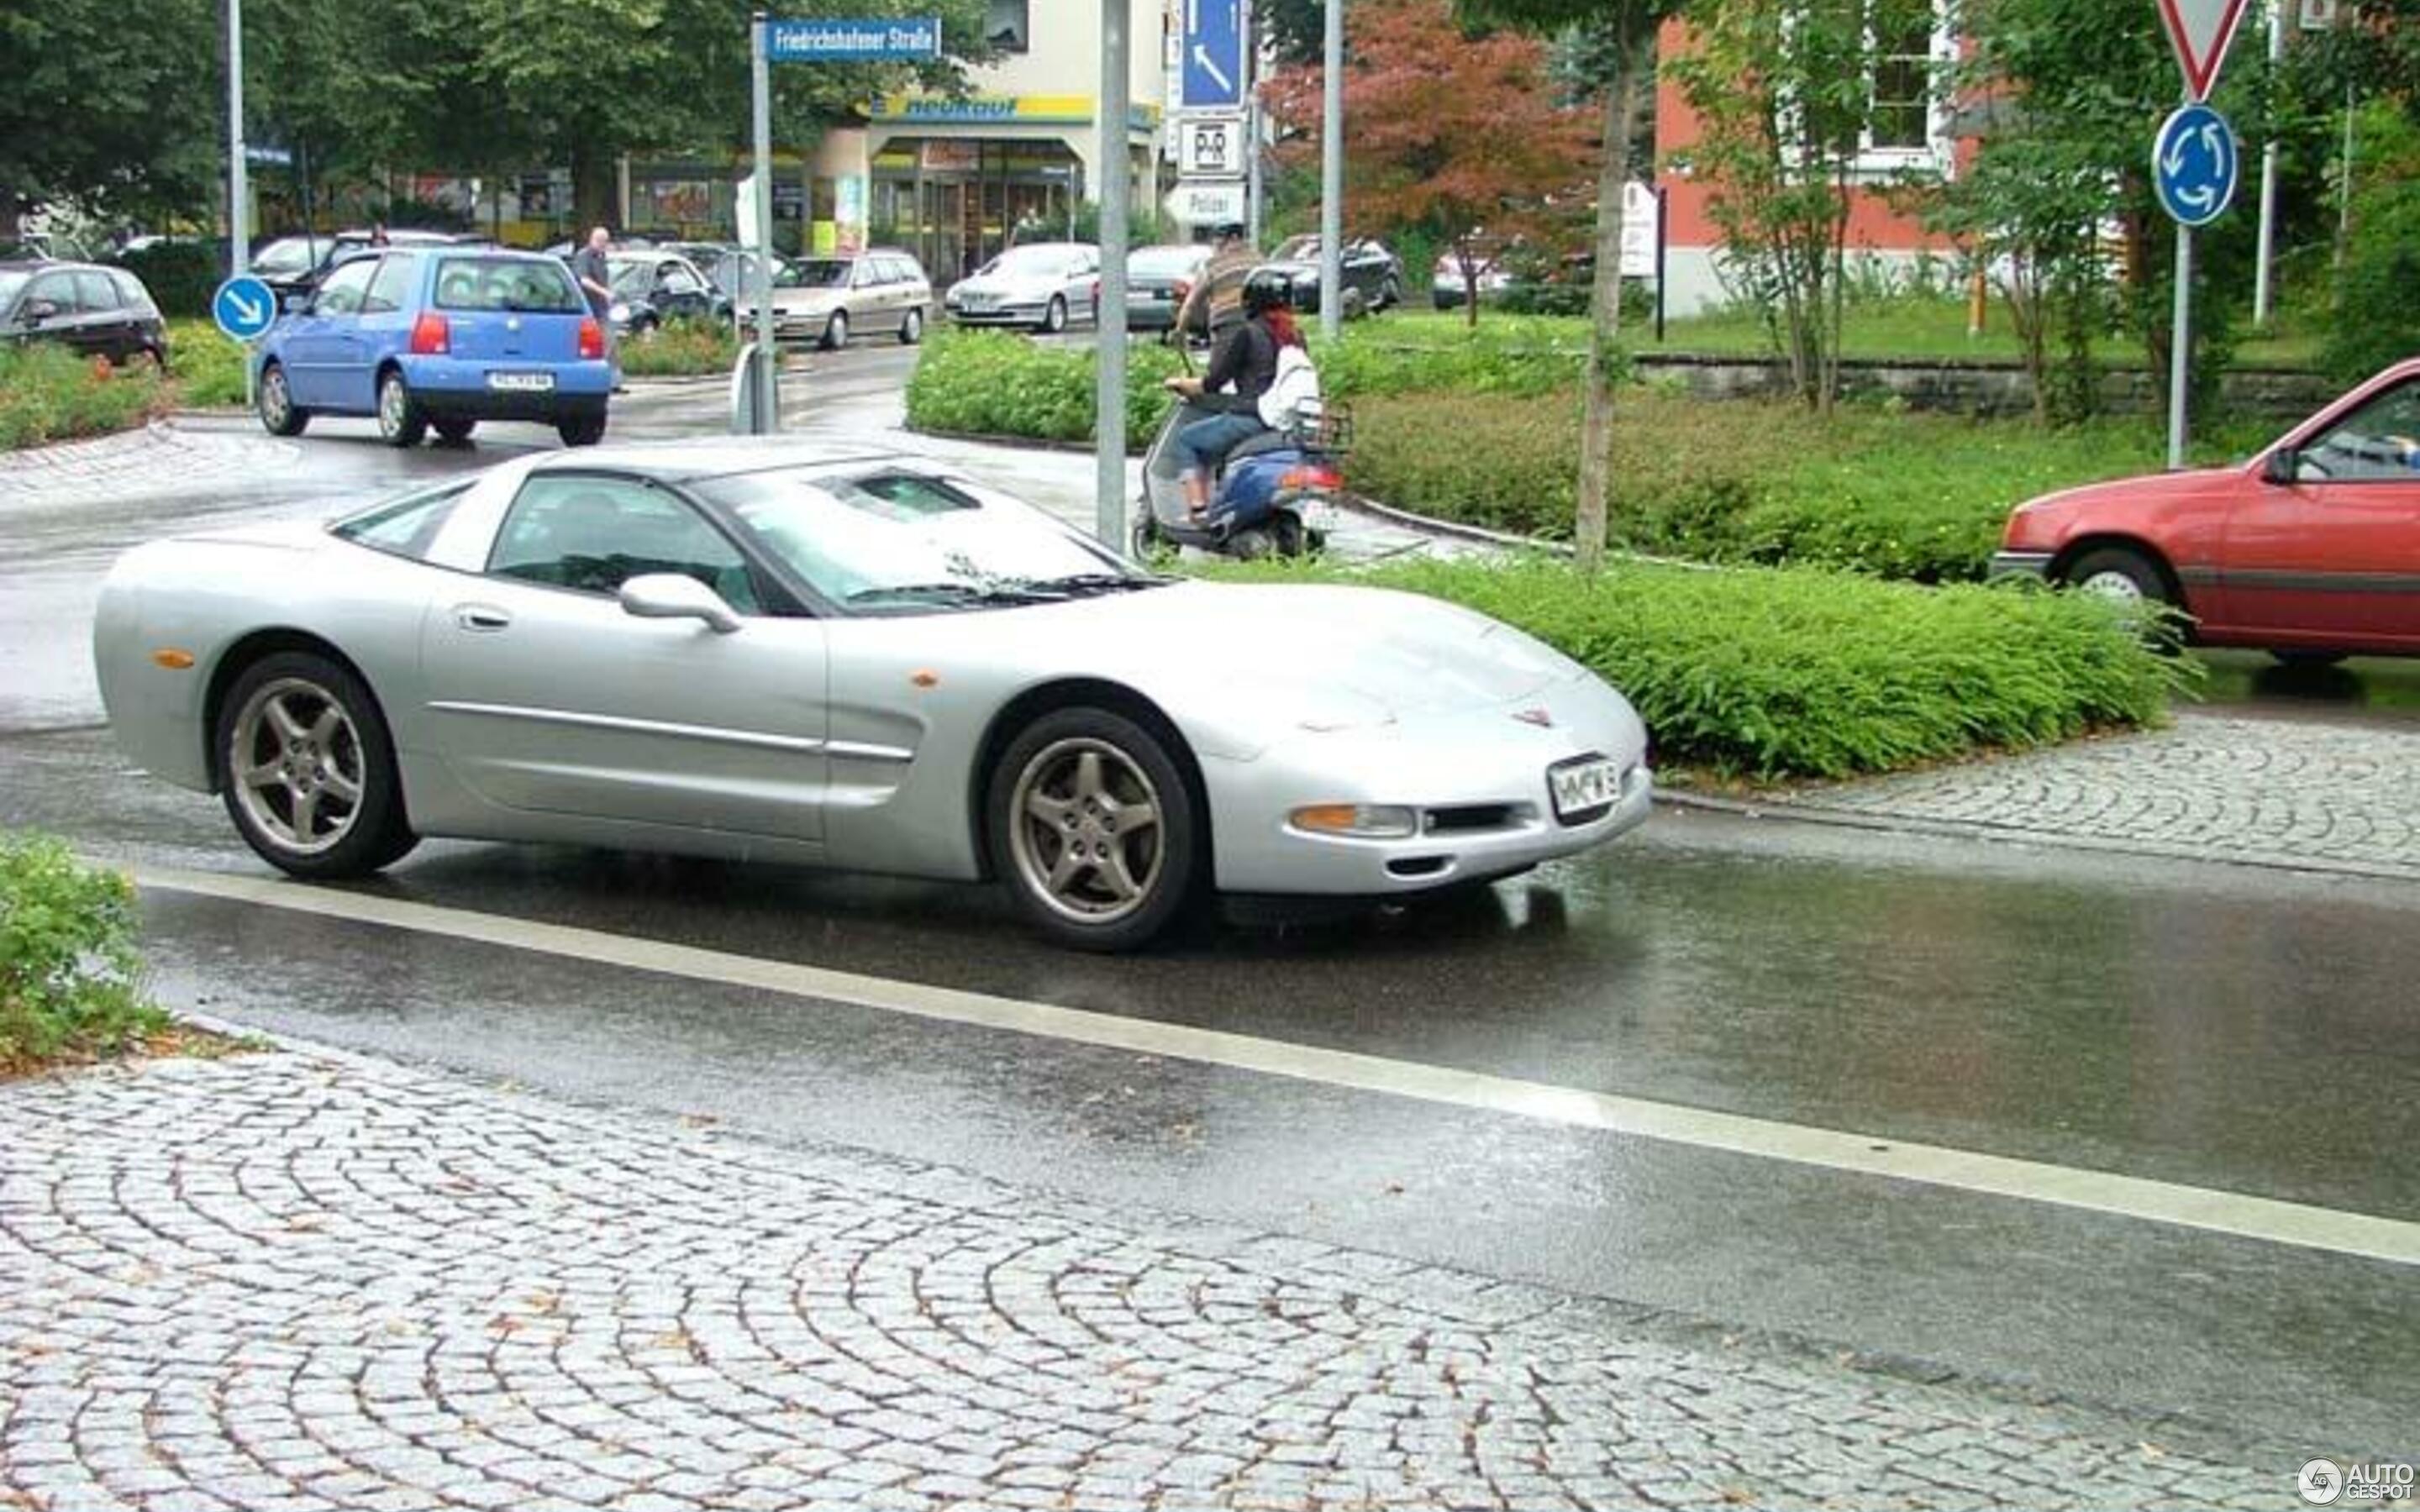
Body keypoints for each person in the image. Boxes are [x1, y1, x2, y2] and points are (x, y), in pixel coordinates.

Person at [1162, 279, 1303, 517]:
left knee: (1187, 440)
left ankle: (1198, 509)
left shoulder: (1248, 333)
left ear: (1249, 302)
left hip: (1252, 417)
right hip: (1286, 420)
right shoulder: (1295, 335)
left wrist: (1181, 383)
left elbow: (1214, 382)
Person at [1173, 223, 1256, 346]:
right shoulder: (1260, 262)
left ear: (1233, 238)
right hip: (1258, 329)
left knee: (1220, 365)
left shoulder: (1212, 266)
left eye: (1217, 243)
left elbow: (1190, 305)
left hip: (1226, 326)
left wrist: (1180, 332)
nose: (1215, 248)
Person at [570, 225, 624, 392]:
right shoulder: (584, 256)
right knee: (601, 345)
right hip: (588, 309)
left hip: (602, 308)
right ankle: (600, 382)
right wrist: (605, 292)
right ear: (591, 239)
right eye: (599, 240)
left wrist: (608, 298)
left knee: (611, 344)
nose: (602, 244)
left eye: (605, 241)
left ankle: (614, 382)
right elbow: (584, 280)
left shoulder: (601, 257)